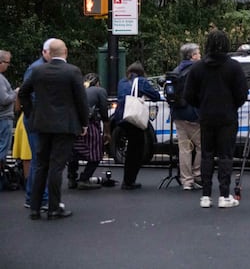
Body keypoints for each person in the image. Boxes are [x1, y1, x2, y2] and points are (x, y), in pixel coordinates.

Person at [18, 39, 88, 220]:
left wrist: (31, 113)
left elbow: (23, 93)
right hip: (65, 125)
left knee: (40, 164)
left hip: (41, 123)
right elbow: (81, 101)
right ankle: (54, 207)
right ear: (65, 51)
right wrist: (84, 123)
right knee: (56, 167)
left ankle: (34, 207)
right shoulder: (72, 72)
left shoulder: (38, 71)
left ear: (50, 52)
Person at [184, 29, 248, 209]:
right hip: (227, 116)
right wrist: (232, 105)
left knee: (207, 155)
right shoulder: (234, 67)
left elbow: (188, 95)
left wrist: (201, 105)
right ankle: (224, 194)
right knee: (226, 155)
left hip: (206, 116)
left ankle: (206, 195)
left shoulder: (197, 68)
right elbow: (242, 93)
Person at [115, 62, 160, 190]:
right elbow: (155, 96)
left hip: (121, 116)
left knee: (131, 149)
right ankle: (129, 180)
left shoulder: (122, 82)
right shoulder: (141, 81)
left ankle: (127, 179)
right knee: (137, 150)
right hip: (133, 118)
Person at [21, 38, 54, 209]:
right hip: (37, 118)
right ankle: (41, 198)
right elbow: (27, 95)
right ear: (45, 52)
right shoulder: (37, 69)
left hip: (35, 117)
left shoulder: (37, 67)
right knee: (40, 159)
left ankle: (33, 197)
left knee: (38, 158)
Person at [67, 73, 110, 190]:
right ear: (97, 83)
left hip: (72, 126)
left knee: (74, 153)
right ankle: (84, 179)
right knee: (96, 153)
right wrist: (107, 132)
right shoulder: (99, 91)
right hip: (89, 126)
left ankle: (71, 178)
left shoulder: (76, 89)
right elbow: (104, 113)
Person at [170, 43, 203, 191]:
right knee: (203, 145)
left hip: (178, 113)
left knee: (184, 148)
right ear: (192, 56)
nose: (200, 55)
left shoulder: (177, 70)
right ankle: (197, 174)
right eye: (198, 53)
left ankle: (186, 181)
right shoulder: (196, 70)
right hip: (193, 113)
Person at [0, 50, 17, 174]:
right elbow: (4, 99)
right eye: (7, 63)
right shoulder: (0, 80)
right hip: (4, 117)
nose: (7, 65)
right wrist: (15, 92)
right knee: (3, 148)